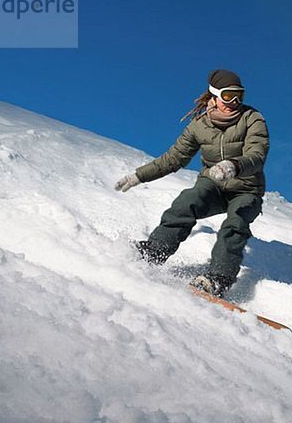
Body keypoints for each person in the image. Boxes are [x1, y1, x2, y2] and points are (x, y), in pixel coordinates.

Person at [115, 69, 269, 297]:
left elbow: (258, 154)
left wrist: (233, 166)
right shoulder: (199, 125)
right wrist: (140, 175)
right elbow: (174, 158)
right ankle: (155, 252)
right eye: (228, 96)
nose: (234, 102)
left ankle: (218, 279)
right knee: (187, 201)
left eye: (239, 96)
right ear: (214, 96)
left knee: (235, 223)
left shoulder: (252, 119)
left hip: (246, 189)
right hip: (214, 185)